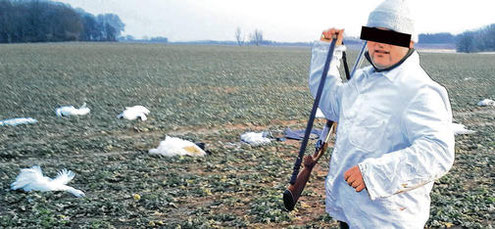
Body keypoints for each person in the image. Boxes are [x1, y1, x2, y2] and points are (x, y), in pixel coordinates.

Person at [307, 0, 455, 228]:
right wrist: (327, 52)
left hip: (387, 219)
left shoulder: (420, 91)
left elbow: (437, 152)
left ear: (410, 41)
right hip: (351, 212)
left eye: (393, 37)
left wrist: (373, 174)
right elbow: (330, 103)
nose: (381, 44)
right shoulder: (363, 80)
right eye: (374, 35)